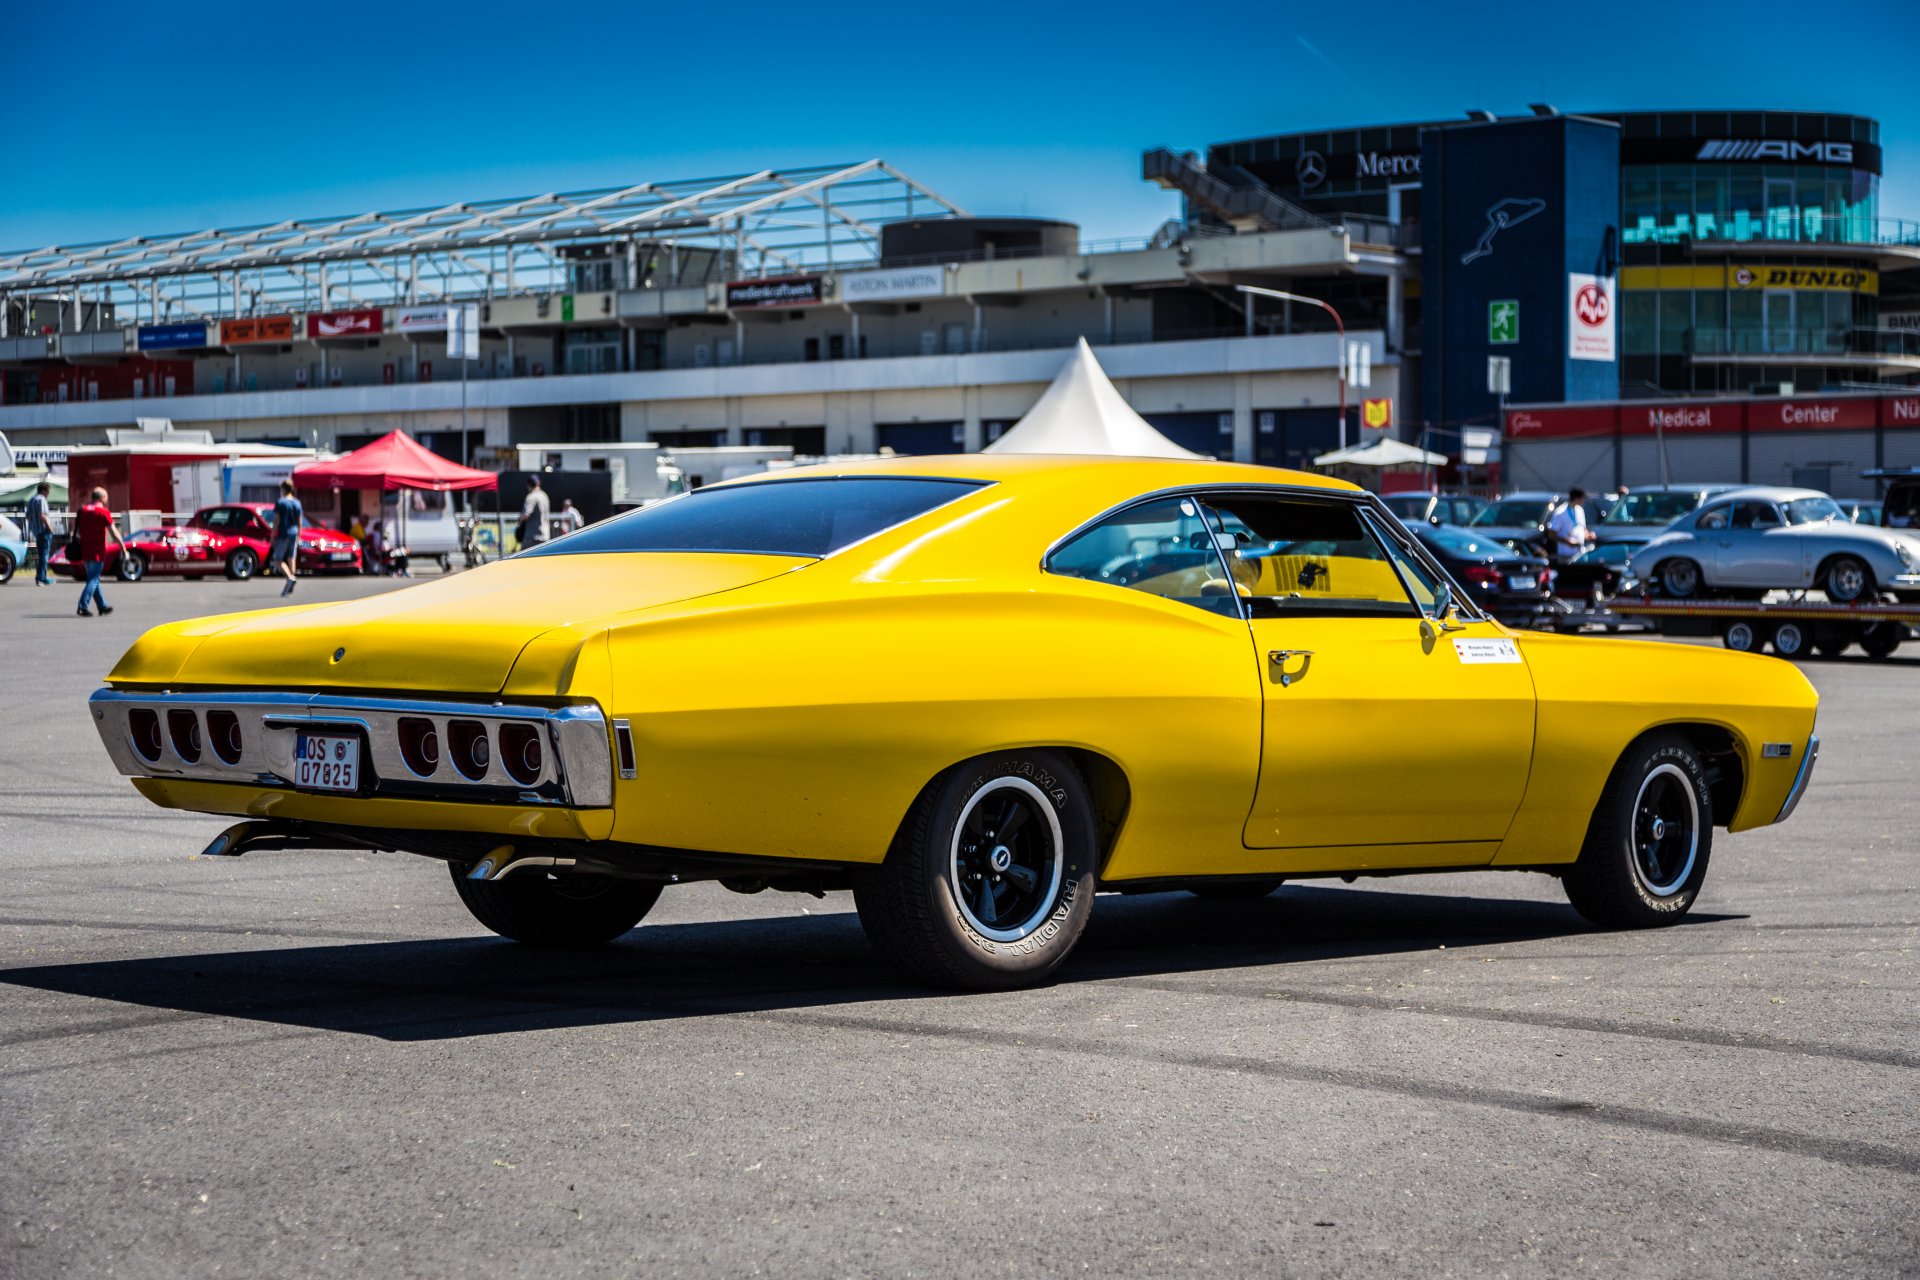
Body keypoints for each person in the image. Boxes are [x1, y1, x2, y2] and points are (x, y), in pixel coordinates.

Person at [73, 487, 125, 618]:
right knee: (94, 579)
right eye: (106, 497)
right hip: (98, 551)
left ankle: (102, 606)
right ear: (102, 498)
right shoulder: (103, 511)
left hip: (85, 550)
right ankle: (82, 606)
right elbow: (113, 532)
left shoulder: (83, 510)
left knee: (93, 578)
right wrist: (122, 547)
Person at [268, 479, 303, 597]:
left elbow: (276, 520)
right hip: (294, 533)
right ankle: (289, 586)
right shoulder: (297, 503)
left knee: (277, 560)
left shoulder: (281, 502)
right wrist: (299, 534)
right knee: (291, 558)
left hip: (284, 533)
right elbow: (299, 522)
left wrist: (272, 535)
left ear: (283, 489)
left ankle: (290, 578)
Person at [1547, 487, 1596, 563]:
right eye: (1582, 498)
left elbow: (1582, 528)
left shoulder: (1580, 510)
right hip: (1566, 554)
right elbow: (1552, 534)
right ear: (1577, 498)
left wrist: (1588, 535)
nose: (1583, 501)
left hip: (1580, 553)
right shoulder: (1560, 512)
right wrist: (1568, 542)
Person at [24, 480, 54, 586]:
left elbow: (28, 516)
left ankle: (42, 576)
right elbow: (42, 515)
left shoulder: (32, 499)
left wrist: (33, 526)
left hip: (36, 531)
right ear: (44, 490)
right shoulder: (42, 500)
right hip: (44, 531)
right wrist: (50, 527)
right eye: (48, 491)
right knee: (44, 555)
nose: (48, 494)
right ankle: (41, 578)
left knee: (41, 555)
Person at [518, 476, 551, 549]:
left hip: (533, 536)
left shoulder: (531, 497)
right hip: (545, 534)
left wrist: (520, 520)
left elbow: (526, 514)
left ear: (528, 485)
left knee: (524, 557)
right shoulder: (544, 495)